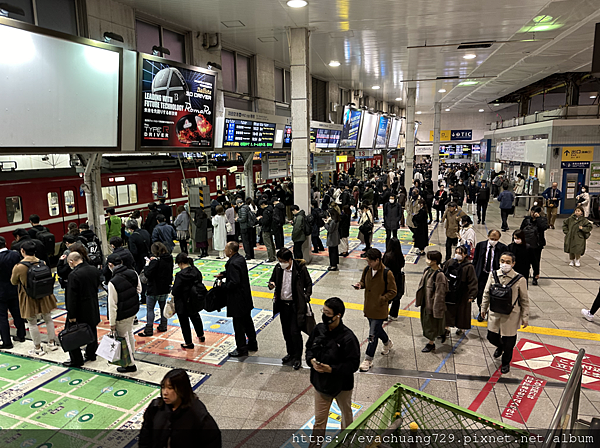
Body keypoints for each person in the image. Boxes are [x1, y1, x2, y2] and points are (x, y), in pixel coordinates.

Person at [305, 297, 360, 446]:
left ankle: (347, 442)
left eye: (327, 313)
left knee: (346, 416)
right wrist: (311, 361)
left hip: (342, 386)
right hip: (321, 385)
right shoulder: (318, 329)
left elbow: (353, 364)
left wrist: (332, 369)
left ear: (338, 315)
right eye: (323, 311)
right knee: (319, 421)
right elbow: (309, 348)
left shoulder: (348, 338)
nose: (324, 315)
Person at [139, 369, 221, 448]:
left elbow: (212, 441)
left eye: (170, 388)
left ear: (182, 389)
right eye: (163, 387)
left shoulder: (198, 414)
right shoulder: (155, 407)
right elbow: (145, 435)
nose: (165, 392)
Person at [480, 252, 529, 374]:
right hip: (495, 313)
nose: (504, 264)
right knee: (491, 337)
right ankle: (499, 346)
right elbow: (486, 293)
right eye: (502, 261)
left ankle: (506, 362)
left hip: (511, 316)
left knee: (509, 343)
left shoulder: (519, 279)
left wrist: (525, 317)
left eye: (508, 262)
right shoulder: (493, 274)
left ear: (513, 263)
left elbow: (524, 299)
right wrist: (483, 308)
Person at [10, 241, 59, 355]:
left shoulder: (19, 267)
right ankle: (51, 343)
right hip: (45, 295)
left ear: (22, 251)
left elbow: (13, 281)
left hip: (28, 296)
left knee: (32, 322)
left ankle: (37, 347)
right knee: (48, 318)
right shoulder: (42, 262)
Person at [353, 248, 397, 372]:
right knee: (377, 330)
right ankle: (388, 342)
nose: (368, 264)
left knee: (372, 334)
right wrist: (360, 285)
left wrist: (382, 299)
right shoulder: (367, 269)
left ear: (377, 260)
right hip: (369, 307)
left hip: (379, 309)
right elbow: (364, 282)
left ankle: (368, 359)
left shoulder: (387, 273)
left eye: (370, 261)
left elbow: (393, 291)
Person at [268, 248, 313, 370]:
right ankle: (290, 353)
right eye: (279, 261)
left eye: (283, 261)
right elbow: (272, 280)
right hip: (283, 305)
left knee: (295, 332)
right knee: (286, 331)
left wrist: (306, 297)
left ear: (289, 260)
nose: (281, 263)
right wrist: (271, 284)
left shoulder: (300, 269)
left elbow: (309, 283)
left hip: (296, 305)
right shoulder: (278, 268)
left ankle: (297, 357)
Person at [217, 242, 257, 357]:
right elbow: (237, 274)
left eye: (225, 248)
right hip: (245, 298)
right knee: (248, 322)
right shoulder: (240, 259)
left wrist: (222, 286)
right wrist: (224, 274)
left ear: (230, 251)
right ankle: (253, 344)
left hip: (237, 300)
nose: (224, 250)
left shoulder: (232, 263)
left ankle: (241, 349)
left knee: (239, 326)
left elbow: (234, 282)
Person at [63, 251, 101, 367]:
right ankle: (91, 354)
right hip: (93, 306)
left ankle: (76, 359)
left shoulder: (74, 275)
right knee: (92, 330)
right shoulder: (93, 270)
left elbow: (71, 297)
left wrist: (72, 314)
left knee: (71, 333)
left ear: (71, 262)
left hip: (79, 310)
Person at [107, 253, 140, 373]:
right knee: (130, 332)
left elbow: (112, 305)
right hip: (133, 309)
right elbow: (139, 289)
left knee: (123, 337)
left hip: (122, 314)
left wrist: (112, 323)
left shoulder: (113, 282)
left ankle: (130, 364)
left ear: (110, 265)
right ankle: (132, 354)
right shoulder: (133, 273)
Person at [416, 250, 448, 353]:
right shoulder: (427, 270)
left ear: (434, 261)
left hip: (433, 304)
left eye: (429, 258)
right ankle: (442, 332)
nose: (427, 260)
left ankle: (431, 343)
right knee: (426, 322)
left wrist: (436, 309)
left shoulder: (439, 275)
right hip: (426, 302)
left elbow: (440, 294)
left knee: (431, 324)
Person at [171, 253, 205, 348]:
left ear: (181, 263)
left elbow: (175, 291)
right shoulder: (195, 271)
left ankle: (189, 343)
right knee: (196, 318)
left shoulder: (180, 275)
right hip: (194, 300)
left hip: (182, 303)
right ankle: (201, 335)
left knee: (184, 323)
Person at [139, 242, 173, 337]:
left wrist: (147, 265)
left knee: (150, 309)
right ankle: (163, 325)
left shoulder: (155, 262)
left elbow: (148, 274)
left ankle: (149, 329)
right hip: (165, 288)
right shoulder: (169, 259)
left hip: (153, 289)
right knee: (163, 307)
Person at [473, 230, 507, 321]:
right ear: (488, 236)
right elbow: (475, 260)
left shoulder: (503, 248)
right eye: (492, 238)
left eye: (495, 239)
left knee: (494, 295)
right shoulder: (480, 245)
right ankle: (481, 311)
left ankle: (492, 311)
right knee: (480, 294)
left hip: (494, 276)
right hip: (482, 274)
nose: (493, 240)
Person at [443, 246, 477, 337]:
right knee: (448, 311)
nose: (457, 255)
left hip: (462, 292)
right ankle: (446, 328)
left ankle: (461, 328)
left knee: (462, 312)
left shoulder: (469, 267)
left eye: (460, 253)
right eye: (456, 252)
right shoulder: (450, 262)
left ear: (465, 255)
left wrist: (472, 295)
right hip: (450, 292)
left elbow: (472, 281)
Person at [0, 236, 26, 349]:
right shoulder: (15, 254)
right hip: (14, 288)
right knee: (17, 312)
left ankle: (7, 342)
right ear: (5, 243)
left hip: (0, 291)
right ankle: (21, 335)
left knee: (2, 317)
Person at [520, 206, 548, 285]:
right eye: (532, 212)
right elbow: (521, 229)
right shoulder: (526, 220)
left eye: (535, 212)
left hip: (537, 245)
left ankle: (535, 276)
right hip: (526, 244)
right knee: (525, 261)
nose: (533, 214)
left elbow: (543, 227)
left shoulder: (543, 220)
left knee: (535, 262)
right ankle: (525, 276)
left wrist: (538, 219)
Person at [383, 238, 405, 321]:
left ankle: (384, 313)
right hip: (398, 277)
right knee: (397, 296)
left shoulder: (387, 256)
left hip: (389, 277)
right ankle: (394, 314)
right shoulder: (400, 255)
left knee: (387, 295)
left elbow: (384, 266)